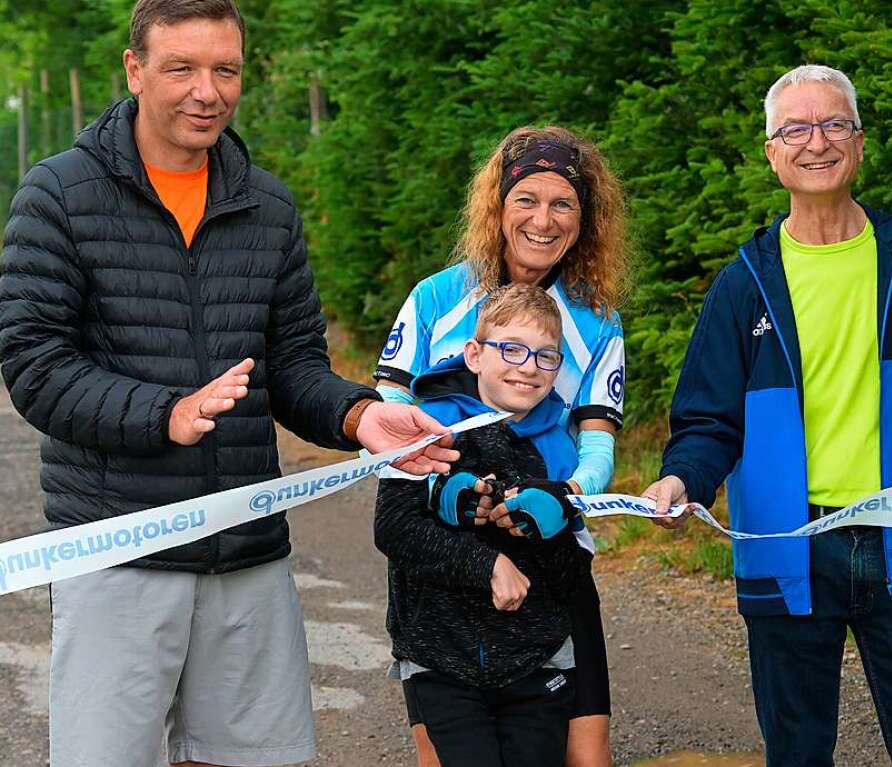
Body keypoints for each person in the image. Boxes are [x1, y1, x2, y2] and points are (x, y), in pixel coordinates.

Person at [0, 2, 457, 766]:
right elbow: (34, 366)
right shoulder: (58, 195)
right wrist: (163, 414)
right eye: (181, 67)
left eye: (226, 69)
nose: (206, 90)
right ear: (135, 69)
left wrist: (361, 417)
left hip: (245, 548)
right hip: (119, 548)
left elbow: (295, 367)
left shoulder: (268, 206)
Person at [643, 64, 892, 767]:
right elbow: (708, 420)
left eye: (833, 124)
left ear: (860, 141)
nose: (815, 142)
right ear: (771, 152)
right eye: (795, 128)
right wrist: (683, 481)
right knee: (797, 751)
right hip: (787, 546)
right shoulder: (744, 282)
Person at [374, 125, 628, 767]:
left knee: (584, 756)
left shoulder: (598, 318)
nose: (543, 220)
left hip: (550, 553)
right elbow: (387, 421)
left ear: (584, 218)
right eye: (527, 200)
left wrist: (567, 497)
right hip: (441, 561)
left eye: (562, 203)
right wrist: (438, 487)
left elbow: (597, 445)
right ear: (498, 205)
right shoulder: (435, 297)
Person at [375, 284, 590, 767]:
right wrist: (486, 561)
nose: (528, 366)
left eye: (546, 356)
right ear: (473, 354)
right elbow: (393, 528)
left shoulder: (560, 448)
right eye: (511, 349)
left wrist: (545, 529)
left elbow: (572, 574)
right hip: (441, 656)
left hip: (536, 660)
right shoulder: (424, 427)